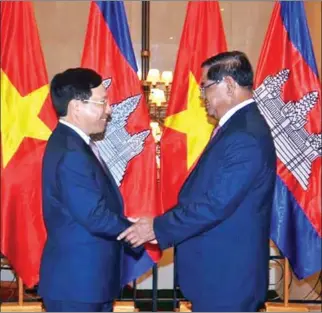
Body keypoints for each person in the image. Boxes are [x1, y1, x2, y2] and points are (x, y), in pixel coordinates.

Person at [118, 51, 277, 312]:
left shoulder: (244, 135)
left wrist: (156, 228)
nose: (202, 97)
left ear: (228, 84)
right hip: (220, 274)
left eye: (205, 87)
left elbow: (215, 204)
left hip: (227, 278)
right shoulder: (238, 127)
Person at [38, 68, 136, 312]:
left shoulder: (73, 143)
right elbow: (93, 215)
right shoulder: (71, 150)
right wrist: (136, 232)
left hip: (88, 282)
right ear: (76, 107)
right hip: (77, 283)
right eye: (102, 102)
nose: (109, 110)